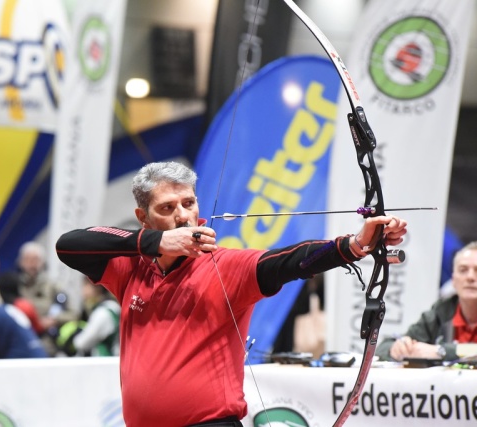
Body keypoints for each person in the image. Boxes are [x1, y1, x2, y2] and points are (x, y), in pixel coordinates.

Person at [55, 161, 407, 427]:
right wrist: (153, 242)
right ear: (142, 218)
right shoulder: (130, 270)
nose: (183, 215)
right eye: (167, 208)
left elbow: (288, 262)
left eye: (188, 203)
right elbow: (69, 245)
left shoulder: (226, 268)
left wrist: (354, 245)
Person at [376, 241, 477, 362]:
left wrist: (441, 351)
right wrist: (397, 348)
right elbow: (382, 348)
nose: (470, 277)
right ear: (454, 280)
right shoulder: (440, 313)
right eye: (463, 270)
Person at [57, 279, 121, 357]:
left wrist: (73, 336)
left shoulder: (102, 312)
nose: (83, 292)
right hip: (113, 360)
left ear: (98, 287)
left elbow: (81, 343)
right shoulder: (113, 306)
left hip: (106, 362)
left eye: (86, 286)